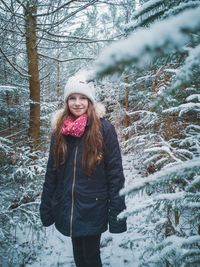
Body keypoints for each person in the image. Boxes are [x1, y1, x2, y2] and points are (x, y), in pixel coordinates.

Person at [40, 71, 127, 267]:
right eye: (72, 98)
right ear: (66, 101)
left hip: (93, 207)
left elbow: (115, 174)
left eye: (82, 98)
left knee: (91, 257)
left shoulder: (104, 129)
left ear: (90, 101)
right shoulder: (60, 130)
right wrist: (46, 207)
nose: (77, 103)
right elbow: (51, 172)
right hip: (68, 206)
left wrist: (117, 215)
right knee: (79, 255)